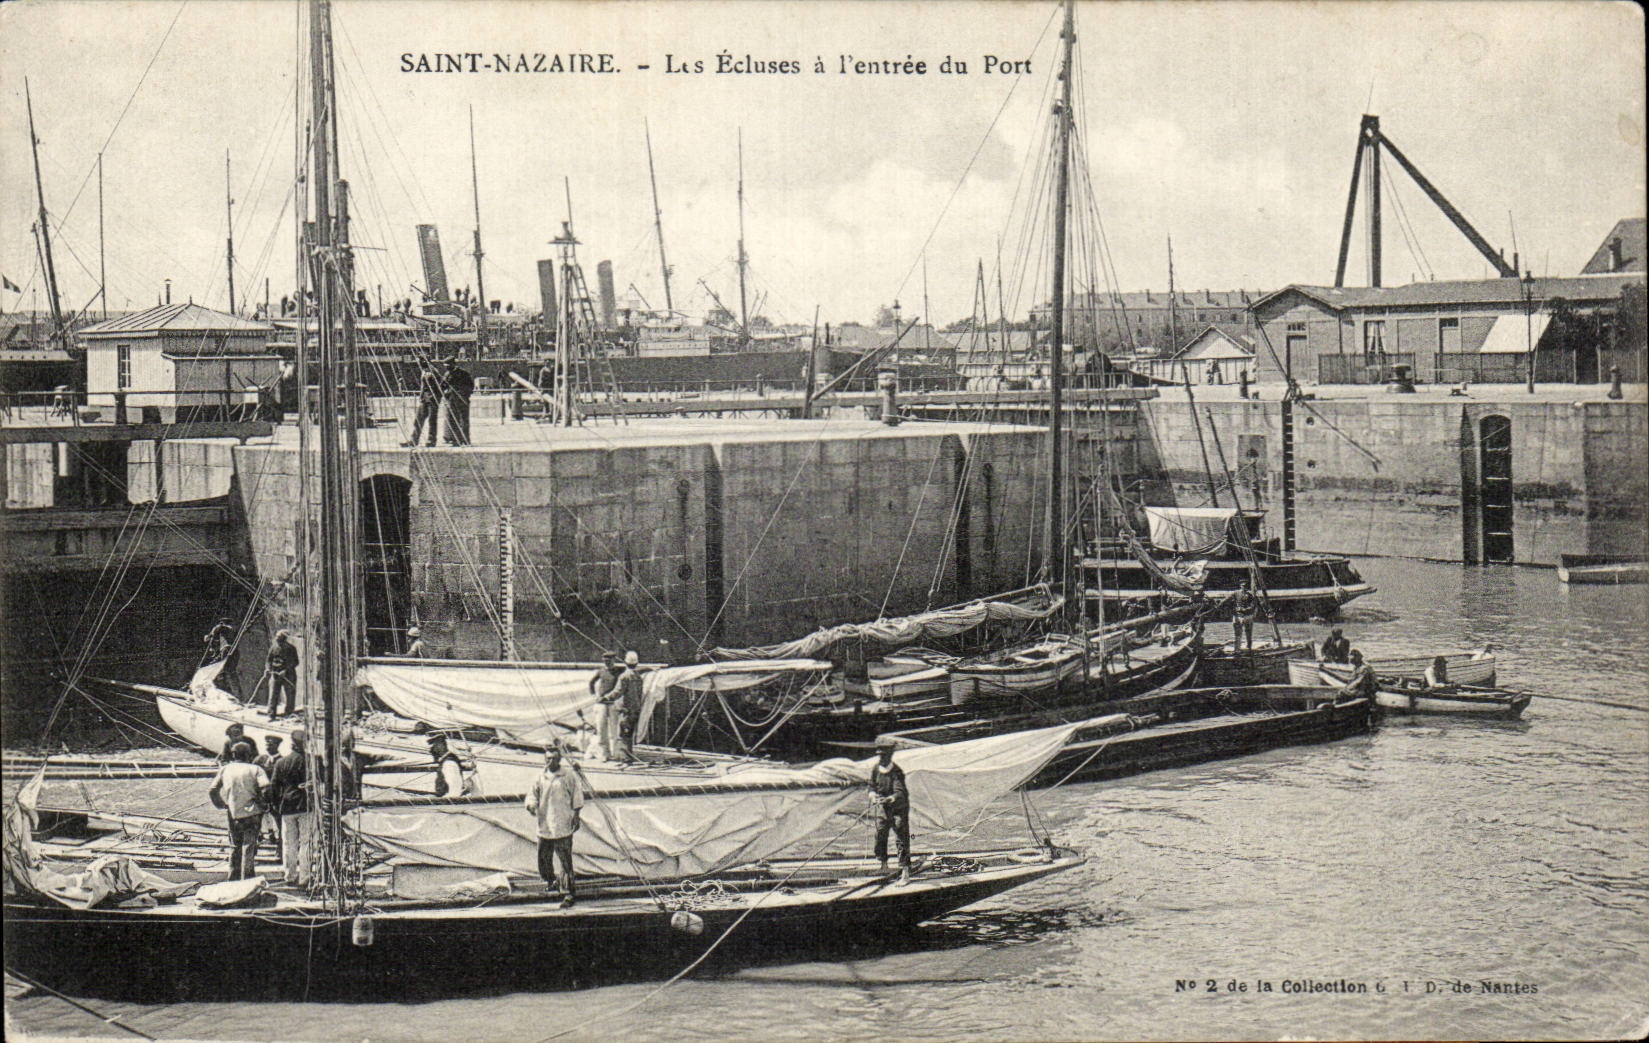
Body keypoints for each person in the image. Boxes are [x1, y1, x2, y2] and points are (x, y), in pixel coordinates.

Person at [524, 745, 583, 908]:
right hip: (544, 823)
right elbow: (531, 795)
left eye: (554, 758)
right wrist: (532, 806)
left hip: (562, 822)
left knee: (564, 859)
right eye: (548, 758)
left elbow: (577, 797)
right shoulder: (540, 776)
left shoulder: (568, 776)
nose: (550, 761)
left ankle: (569, 892)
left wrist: (576, 816)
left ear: (559, 759)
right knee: (543, 857)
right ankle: (551, 881)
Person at [209, 741, 271, 881]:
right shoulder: (256, 769)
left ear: (233, 754)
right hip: (253, 812)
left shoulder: (225, 769)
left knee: (235, 846)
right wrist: (264, 804)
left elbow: (212, 790)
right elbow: (266, 788)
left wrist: (221, 804)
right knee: (249, 846)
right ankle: (247, 878)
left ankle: (233, 878)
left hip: (233, 812)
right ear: (249, 755)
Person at [271, 727, 315, 888]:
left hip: (287, 806)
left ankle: (289, 875)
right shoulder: (312, 761)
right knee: (306, 842)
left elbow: (274, 787)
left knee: (289, 843)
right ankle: (305, 877)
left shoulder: (281, 762)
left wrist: (276, 806)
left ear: (291, 744)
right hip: (306, 806)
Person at [869, 736, 912, 885]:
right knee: (880, 833)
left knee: (901, 837)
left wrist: (890, 798)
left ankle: (905, 872)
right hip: (883, 808)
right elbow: (872, 786)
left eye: (883, 755)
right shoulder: (876, 769)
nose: (881, 758)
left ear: (890, 755)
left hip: (898, 809)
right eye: (879, 755)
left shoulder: (897, 771)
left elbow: (900, 792)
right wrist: (873, 796)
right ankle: (883, 865)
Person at [402, 358, 444, 448]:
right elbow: (423, 386)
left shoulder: (433, 371)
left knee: (432, 421)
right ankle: (414, 440)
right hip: (424, 399)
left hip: (432, 399)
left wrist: (436, 397)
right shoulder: (424, 371)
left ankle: (431, 440)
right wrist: (421, 397)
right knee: (418, 419)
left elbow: (441, 385)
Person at [255, 735, 285, 861]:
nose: (268, 745)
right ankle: (253, 851)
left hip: (276, 799)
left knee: (280, 826)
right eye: (267, 743)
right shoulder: (260, 760)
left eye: (271, 744)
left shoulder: (282, 761)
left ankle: (280, 850)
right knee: (255, 825)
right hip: (261, 798)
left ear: (277, 745)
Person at [589, 652, 621, 760]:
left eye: (609, 661)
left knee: (614, 730)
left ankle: (615, 754)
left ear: (614, 660)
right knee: (601, 729)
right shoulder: (601, 671)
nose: (607, 663)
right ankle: (604, 754)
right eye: (605, 661)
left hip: (613, 703)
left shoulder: (618, 671)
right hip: (602, 704)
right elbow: (591, 683)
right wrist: (594, 696)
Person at [613, 651, 643, 763]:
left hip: (626, 710)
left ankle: (625, 758)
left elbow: (618, 692)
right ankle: (629, 755)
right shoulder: (638, 677)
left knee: (623, 734)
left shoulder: (624, 676)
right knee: (629, 734)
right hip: (635, 710)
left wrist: (605, 698)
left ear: (625, 662)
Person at [442, 357, 475, 446]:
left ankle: (465, 439)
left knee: (464, 420)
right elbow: (442, 386)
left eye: (448, 366)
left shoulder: (463, 374)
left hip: (462, 400)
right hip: (451, 400)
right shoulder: (447, 374)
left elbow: (470, 386)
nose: (446, 368)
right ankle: (455, 440)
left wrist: (465, 394)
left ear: (453, 364)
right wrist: (446, 394)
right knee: (453, 420)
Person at [266, 630, 299, 718]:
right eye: (276, 637)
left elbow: (295, 662)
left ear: (283, 638)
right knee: (273, 694)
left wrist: (285, 670)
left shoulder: (291, 648)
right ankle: (271, 714)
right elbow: (269, 660)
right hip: (275, 674)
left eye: (279, 637)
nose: (276, 638)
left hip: (288, 675)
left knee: (290, 694)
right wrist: (268, 669)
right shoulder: (273, 647)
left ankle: (289, 713)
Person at [203, 618, 239, 699]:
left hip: (226, 650)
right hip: (233, 652)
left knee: (223, 671)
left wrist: (208, 636)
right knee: (230, 672)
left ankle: (218, 692)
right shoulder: (233, 630)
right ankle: (235, 694)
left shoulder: (224, 628)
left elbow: (218, 628)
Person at [429, 732, 472, 798]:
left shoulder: (449, 763)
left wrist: (449, 798)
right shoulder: (448, 761)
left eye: (434, 746)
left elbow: (454, 785)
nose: (431, 750)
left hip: (449, 800)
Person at [1230, 579, 1259, 652]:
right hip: (1238, 616)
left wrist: (1244, 609)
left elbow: (1253, 605)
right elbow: (1230, 601)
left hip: (1247, 616)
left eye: (1245, 586)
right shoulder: (1235, 593)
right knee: (1237, 633)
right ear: (1240, 585)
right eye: (1242, 585)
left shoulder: (1250, 595)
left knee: (1248, 632)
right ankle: (1237, 649)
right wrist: (1234, 609)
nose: (1244, 587)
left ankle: (1249, 647)